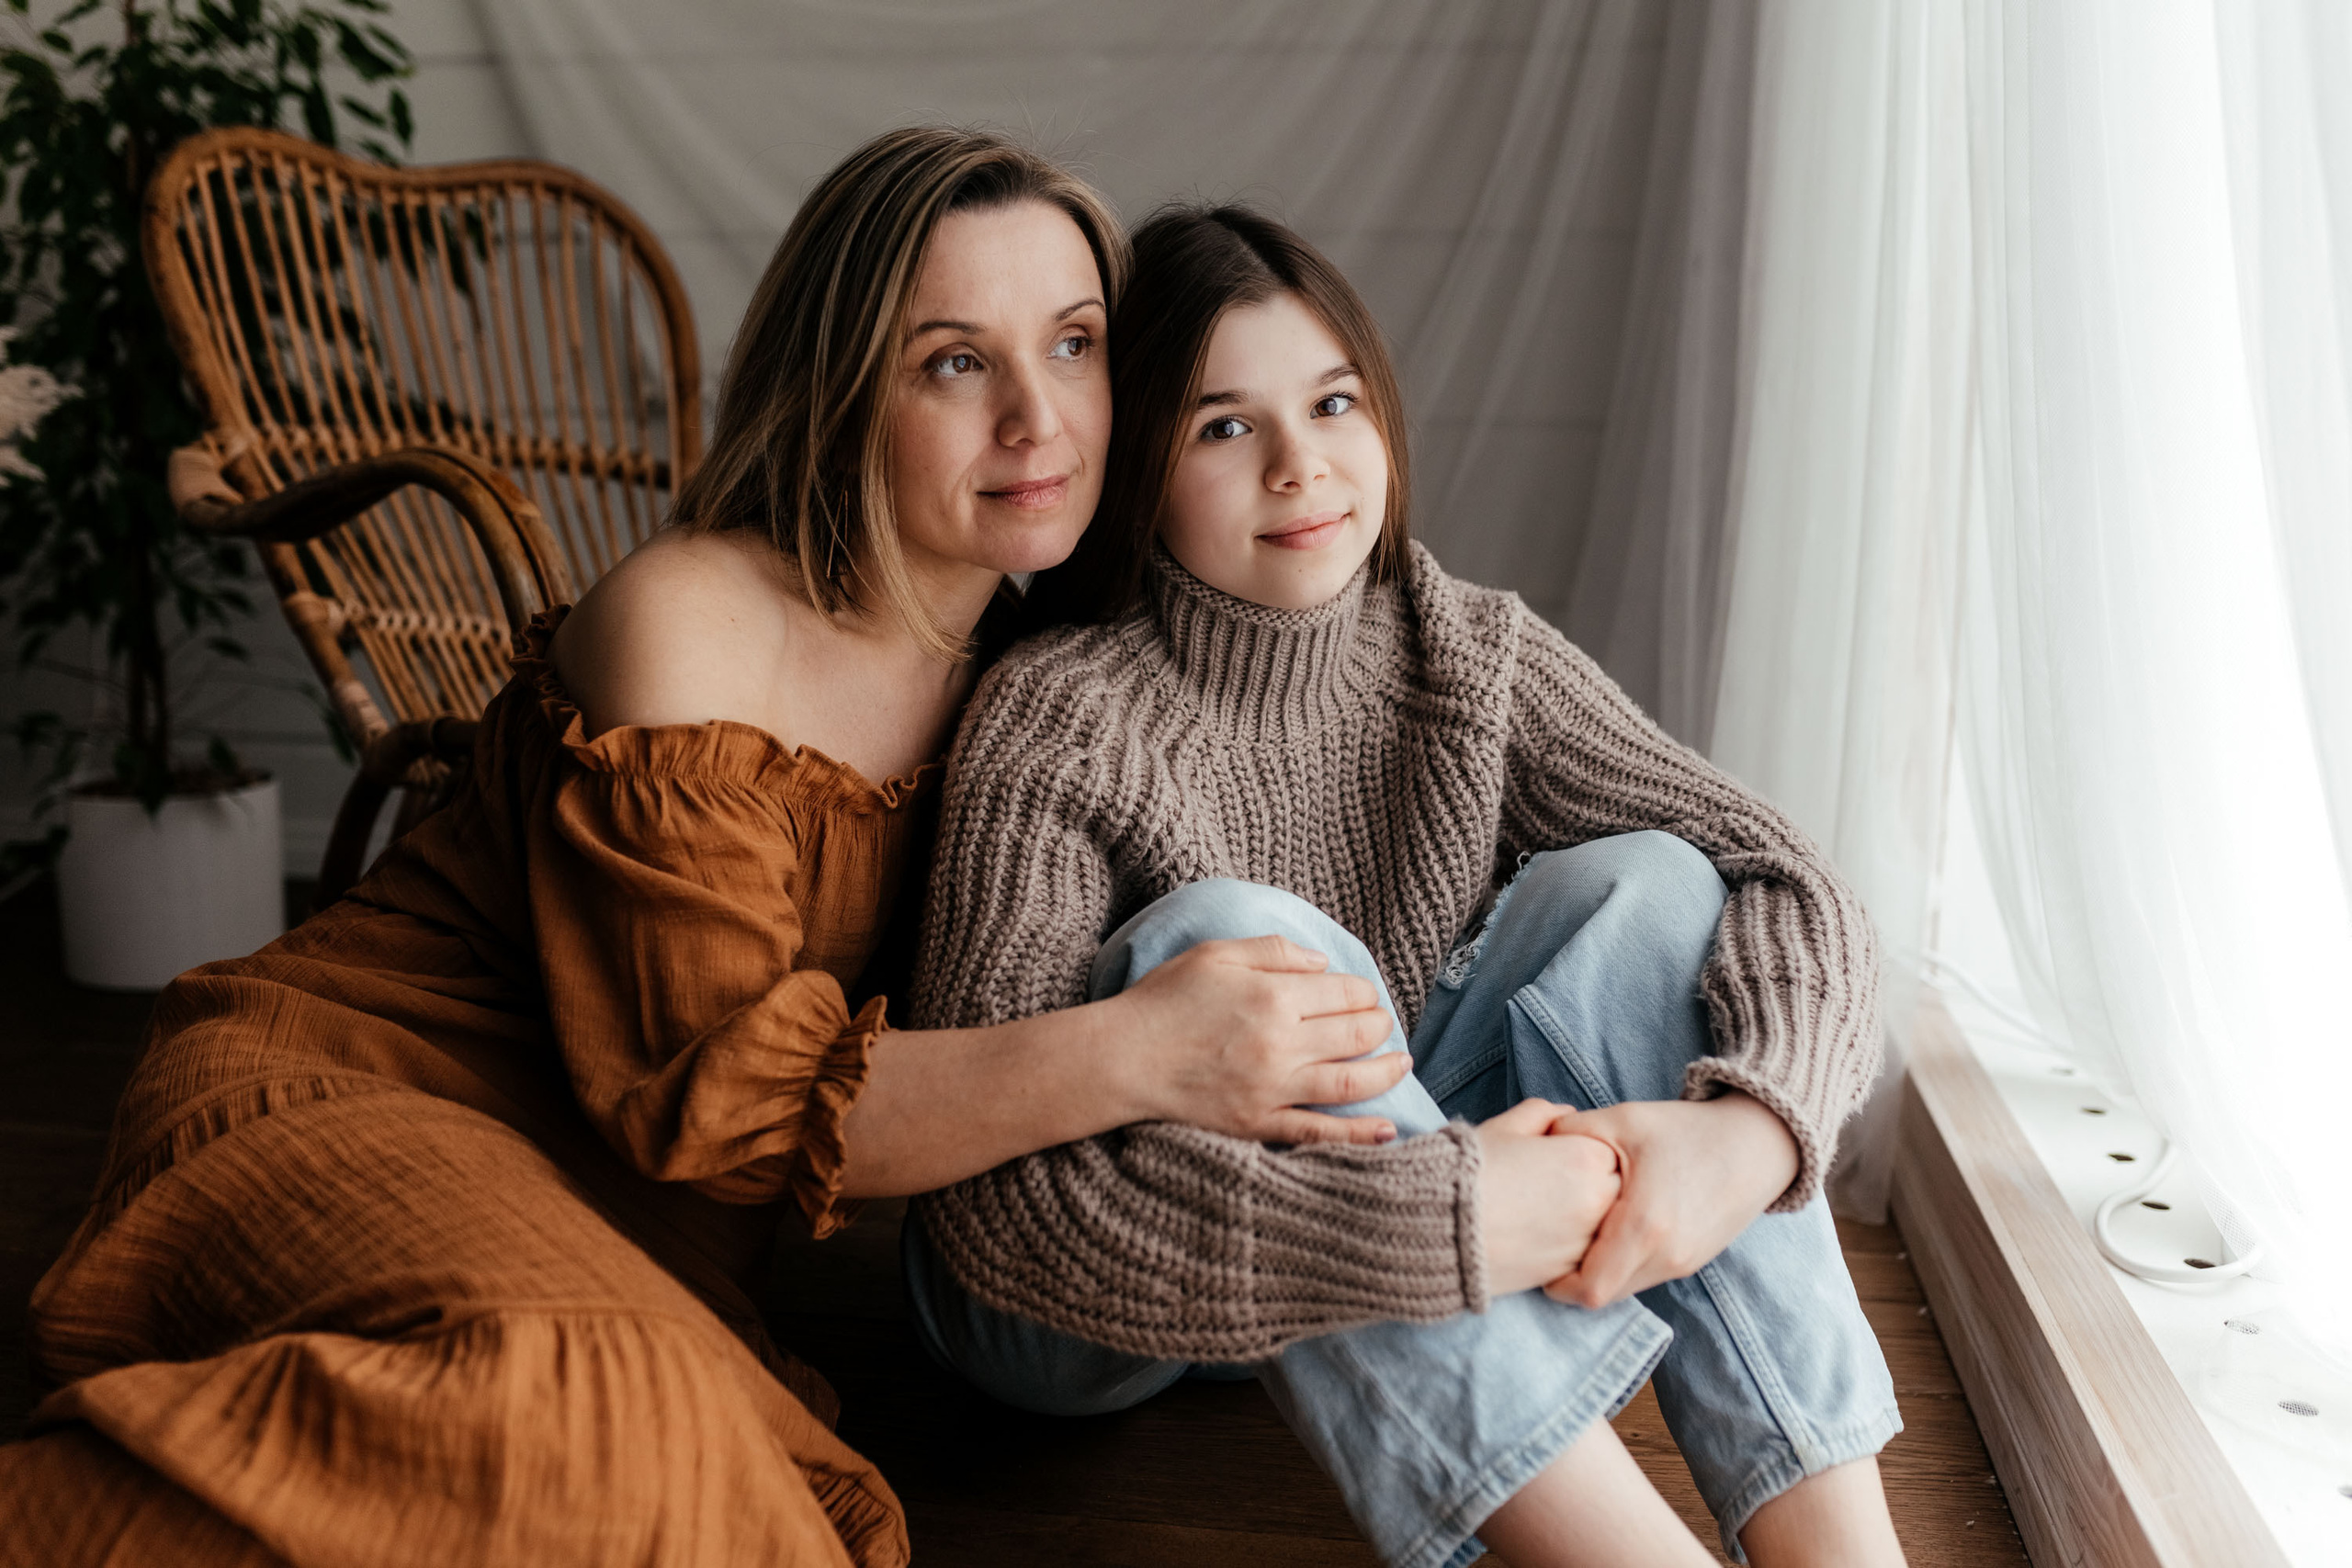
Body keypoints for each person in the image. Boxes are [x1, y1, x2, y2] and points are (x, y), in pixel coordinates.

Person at [0, 131, 1618, 1568]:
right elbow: (707, 1086)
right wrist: (1137, 1052)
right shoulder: (697, 619)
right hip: (366, 1084)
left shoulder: (1056, 676)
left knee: (718, 1507)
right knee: (586, 1422)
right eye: (950, 365)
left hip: (639, 1232)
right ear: (846, 389)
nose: (1038, 416)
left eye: (1074, 344)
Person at [904, 204, 1910, 1568]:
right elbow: (993, 1216)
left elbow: (1787, 875)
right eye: (1222, 427)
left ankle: (1840, 1552)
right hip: (1080, 1292)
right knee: (1240, 944)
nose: (1299, 466)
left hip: (1382, 1204)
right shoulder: (1063, 719)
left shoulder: (1457, 645)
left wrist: (1753, 1138)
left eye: (1330, 402)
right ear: (1135, 472)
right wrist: (1422, 1221)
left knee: (1656, 887)